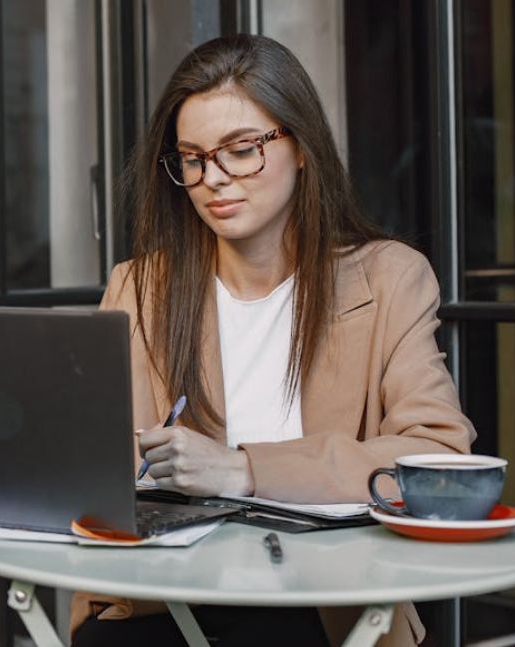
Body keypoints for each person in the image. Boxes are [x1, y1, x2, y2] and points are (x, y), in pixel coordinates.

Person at [70, 34, 476, 647]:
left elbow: (439, 461)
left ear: (302, 147)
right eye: (193, 158)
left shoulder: (389, 278)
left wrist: (242, 470)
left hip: (324, 606)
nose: (214, 179)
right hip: (163, 602)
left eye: (241, 150)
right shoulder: (140, 287)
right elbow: (90, 466)